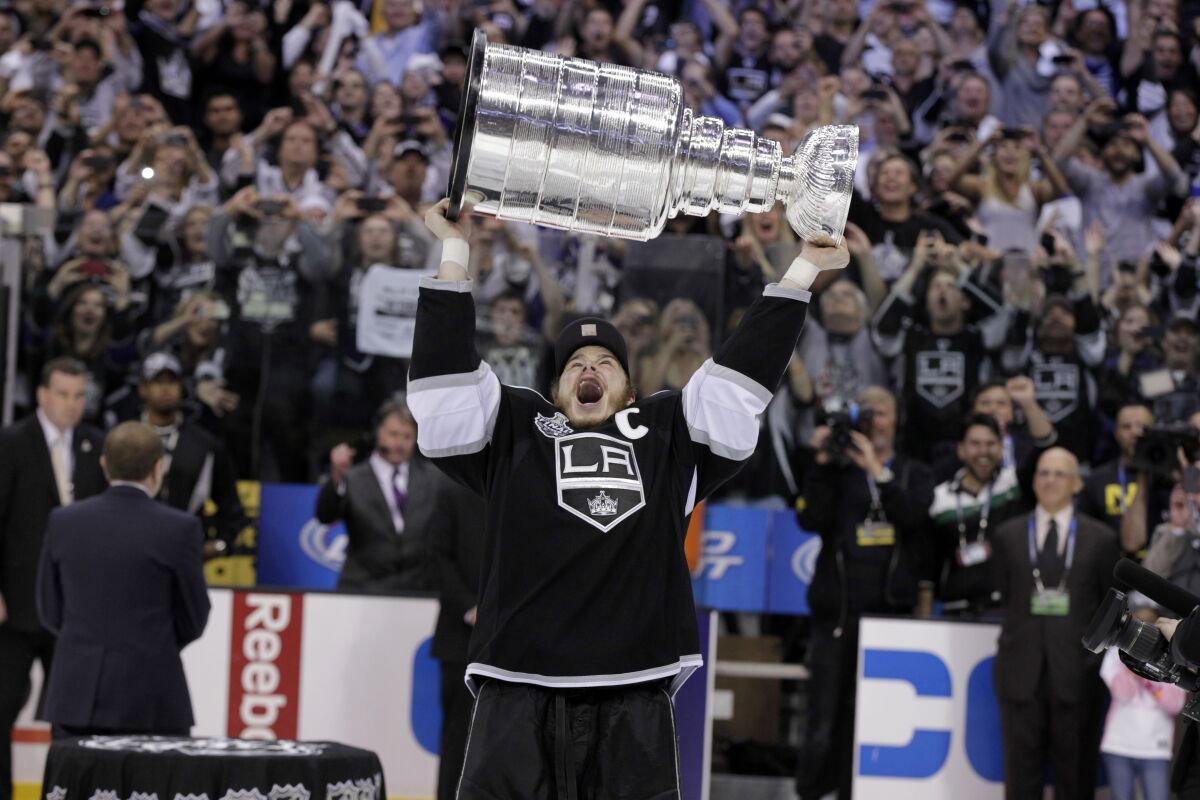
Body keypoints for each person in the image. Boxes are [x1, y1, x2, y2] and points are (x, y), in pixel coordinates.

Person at [412, 197, 847, 798]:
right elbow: (443, 392)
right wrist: (454, 250)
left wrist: (802, 270)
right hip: (516, 685)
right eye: (574, 366)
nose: (588, 370)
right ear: (556, 387)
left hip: (631, 691)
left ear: (629, 386)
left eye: (605, 363)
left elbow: (739, 383)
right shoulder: (515, 424)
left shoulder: (668, 431)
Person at [797, 384, 935, 799]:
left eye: (883, 412)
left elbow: (912, 518)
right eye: (867, 412)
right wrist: (822, 462)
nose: (874, 419)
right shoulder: (836, 471)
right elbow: (810, 519)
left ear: (896, 421)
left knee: (877, 716)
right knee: (824, 717)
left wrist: (877, 469)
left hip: (890, 616)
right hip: (838, 613)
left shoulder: (916, 472)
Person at [35, 422, 210, 738]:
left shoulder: (64, 521)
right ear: (158, 468)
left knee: (77, 789)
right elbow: (194, 618)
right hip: (152, 698)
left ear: (104, 464)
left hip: (76, 697)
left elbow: (49, 609)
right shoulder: (179, 529)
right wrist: (153, 644)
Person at [0, 358, 106, 800]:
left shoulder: (93, 445)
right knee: (3, 707)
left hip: (73, 611)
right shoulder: (11, 443)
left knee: (75, 715)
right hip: (16, 606)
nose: (71, 404)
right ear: (42, 394)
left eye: (79, 395)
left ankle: (67, 793)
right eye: (62, 394)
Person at [990, 447, 1120, 800]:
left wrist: (1092, 663)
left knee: (1076, 778)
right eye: (1043, 473)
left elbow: (1109, 604)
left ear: (1077, 484)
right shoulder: (1007, 535)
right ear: (1032, 481)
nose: (1049, 480)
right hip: (1020, 673)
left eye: (1058, 474)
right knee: (1020, 778)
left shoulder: (1101, 539)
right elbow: (1003, 591)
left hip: (1079, 676)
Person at [315, 399, 435, 594]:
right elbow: (325, 515)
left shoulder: (432, 478)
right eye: (393, 434)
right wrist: (336, 476)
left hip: (418, 593)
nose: (399, 443)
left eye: (407, 436)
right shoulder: (352, 478)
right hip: (364, 591)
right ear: (378, 433)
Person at [928, 410, 1042, 615]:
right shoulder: (939, 498)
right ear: (961, 450)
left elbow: (1044, 447)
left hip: (1008, 608)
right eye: (975, 444)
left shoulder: (1014, 485)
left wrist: (1027, 402)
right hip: (955, 611)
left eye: (990, 444)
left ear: (1001, 448)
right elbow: (927, 564)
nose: (983, 451)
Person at [137, 352, 246, 558]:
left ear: (182, 387)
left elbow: (231, 507)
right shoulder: (124, 439)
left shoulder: (205, 444)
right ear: (143, 389)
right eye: (157, 382)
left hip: (185, 553)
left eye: (172, 381)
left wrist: (220, 544)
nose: (165, 388)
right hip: (132, 551)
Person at [429, 475, 486, 800]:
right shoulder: (452, 494)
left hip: (510, 643)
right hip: (459, 641)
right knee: (457, 738)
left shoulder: (521, 490)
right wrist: (469, 607)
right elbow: (436, 557)